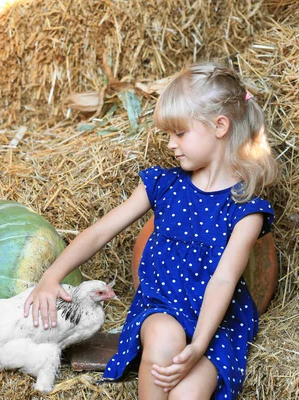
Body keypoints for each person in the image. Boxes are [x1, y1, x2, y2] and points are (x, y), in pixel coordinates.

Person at [23, 62, 278, 399]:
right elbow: (101, 232)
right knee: (163, 336)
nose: (171, 144)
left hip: (215, 325)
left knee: (188, 393)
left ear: (219, 126)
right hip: (163, 306)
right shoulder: (163, 184)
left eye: (180, 133)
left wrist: (199, 345)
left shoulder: (246, 210)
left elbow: (223, 280)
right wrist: (52, 276)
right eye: (168, 134)